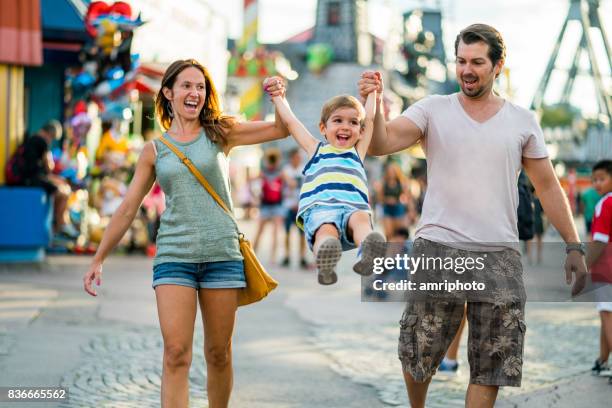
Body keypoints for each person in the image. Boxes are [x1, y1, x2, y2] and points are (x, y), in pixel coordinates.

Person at [359, 24, 587, 408]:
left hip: (499, 256)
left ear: (498, 66)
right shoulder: (432, 109)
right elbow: (382, 143)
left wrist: (573, 246)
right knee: (419, 350)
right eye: (461, 61)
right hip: (438, 247)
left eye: (477, 62)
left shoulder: (522, 120)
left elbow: (548, 187)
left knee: (493, 363)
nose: (467, 69)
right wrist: (374, 105)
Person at [83, 59, 288, 408]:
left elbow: (279, 130)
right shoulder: (154, 150)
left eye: (201, 87)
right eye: (187, 86)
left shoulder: (220, 132)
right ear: (168, 93)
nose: (195, 92)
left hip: (222, 256)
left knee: (218, 353)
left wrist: (280, 97)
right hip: (174, 256)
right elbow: (128, 208)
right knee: (176, 352)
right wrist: (99, 258)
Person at [266, 84, 386, 285]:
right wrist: (278, 97)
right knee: (326, 231)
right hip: (322, 208)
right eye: (338, 120)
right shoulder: (315, 150)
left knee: (361, 222)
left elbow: (371, 119)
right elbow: (291, 122)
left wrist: (374, 92)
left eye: (353, 122)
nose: (346, 127)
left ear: (361, 131)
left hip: (353, 207)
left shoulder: (357, 152)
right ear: (323, 128)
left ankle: (368, 253)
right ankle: (325, 261)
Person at [7, 121, 75, 236]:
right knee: (63, 193)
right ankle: (60, 226)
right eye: (52, 138)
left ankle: (61, 224)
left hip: (23, 177)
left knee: (62, 186)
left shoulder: (30, 139)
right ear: (49, 134)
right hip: (28, 180)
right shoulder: (41, 142)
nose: (51, 141)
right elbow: (49, 167)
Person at [586, 160, 612, 382]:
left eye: (601, 178)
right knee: (606, 314)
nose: (597, 183)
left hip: (607, 270)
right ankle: (602, 360)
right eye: (594, 179)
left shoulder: (605, 204)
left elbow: (600, 240)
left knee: (607, 315)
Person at [253, 148, 284, 264]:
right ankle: (254, 253)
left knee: (274, 232)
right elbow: (253, 182)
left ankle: (273, 257)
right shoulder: (265, 173)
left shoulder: (279, 173)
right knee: (261, 230)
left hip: (275, 204)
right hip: (266, 204)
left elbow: (291, 184)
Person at [280, 148, 309, 268]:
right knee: (286, 233)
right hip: (288, 205)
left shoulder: (304, 169)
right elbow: (287, 183)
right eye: (297, 156)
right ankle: (287, 256)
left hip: (300, 206)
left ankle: (302, 257)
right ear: (292, 158)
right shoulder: (286, 169)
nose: (298, 159)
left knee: (302, 234)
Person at [379, 161, 411, 238]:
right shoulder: (384, 183)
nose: (391, 173)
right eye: (389, 171)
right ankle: (390, 249)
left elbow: (407, 197)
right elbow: (380, 198)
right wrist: (387, 200)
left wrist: (400, 200)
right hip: (387, 210)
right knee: (389, 234)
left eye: (393, 171)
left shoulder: (402, 183)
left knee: (398, 235)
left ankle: (398, 250)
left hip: (399, 210)